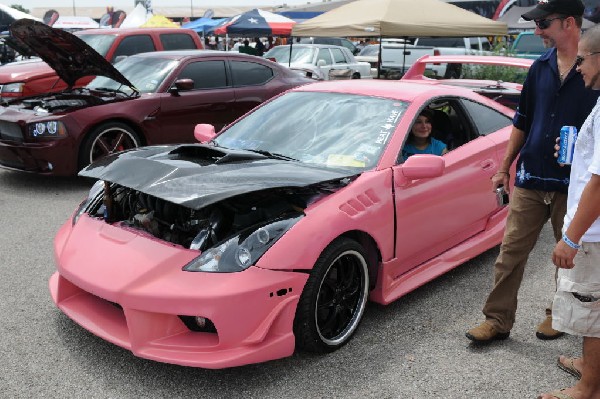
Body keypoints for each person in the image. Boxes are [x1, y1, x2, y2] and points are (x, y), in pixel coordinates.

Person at [465, 0, 600, 343]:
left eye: (544, 24)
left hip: (572, 185)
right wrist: (503, 167)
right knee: (510, 252)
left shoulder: (594, 73)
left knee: (566, 255)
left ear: (569, 22)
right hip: (531, 177)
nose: (537, 31)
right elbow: (521, 121)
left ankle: (558, 315)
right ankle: (496, 319)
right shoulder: (539, 67)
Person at [538, 25, 600, 399]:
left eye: (583, 59)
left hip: (593, 233)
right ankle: (590, 366)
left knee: (590, 308)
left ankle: (589, 388)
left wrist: (571, 238)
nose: (577, 67)